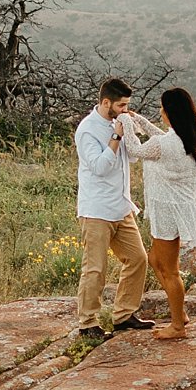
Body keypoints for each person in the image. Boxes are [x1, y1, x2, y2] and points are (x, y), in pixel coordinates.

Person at [120, 86, 196, 339]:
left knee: (169, 269)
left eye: (162, 108)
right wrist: (138, 120)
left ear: (170, 112)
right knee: (155, 260)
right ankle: (178, 313)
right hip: (182, 206)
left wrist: (124, 123)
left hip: (169, 209)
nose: (160, 111)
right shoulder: (190, 137)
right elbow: (161, 138)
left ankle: (178, 325)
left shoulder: (165, 144)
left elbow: (136, 150)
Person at [73, 77, 150, 334]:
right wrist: (116, 135)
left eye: (127, 105)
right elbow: (101, 167)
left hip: (121, 207)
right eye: (121, 105)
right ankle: (88, 323)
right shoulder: (87, 130)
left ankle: (124, 314)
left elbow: (134, 159)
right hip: (96, 210)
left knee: (138, 259)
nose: (125, 110)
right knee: (95, 268)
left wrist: (131, 130)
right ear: (106, 102)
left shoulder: (121, 122)